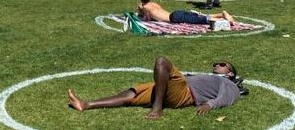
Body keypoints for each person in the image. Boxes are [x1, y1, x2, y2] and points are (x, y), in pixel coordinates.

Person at [67, 56, 245, 120]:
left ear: (230, 73)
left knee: (162, 62)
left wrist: (210, 105)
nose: (217, 65)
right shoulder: (212, 77)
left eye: (223, 64)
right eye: (216, 63)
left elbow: (230, 96)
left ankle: (157, 108)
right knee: (130, 94)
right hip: (171, 88)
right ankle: (86, 105)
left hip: (184, 93)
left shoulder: (228, 83)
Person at [137, 0, 234, 25]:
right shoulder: (154, 4)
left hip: (174, 18)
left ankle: (222, 19)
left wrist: (141, 11)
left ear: (141, 0)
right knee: (197, 16)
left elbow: (148, 19)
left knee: (198, 20)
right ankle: (221, 15)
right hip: (175, 13)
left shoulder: (145, 7)